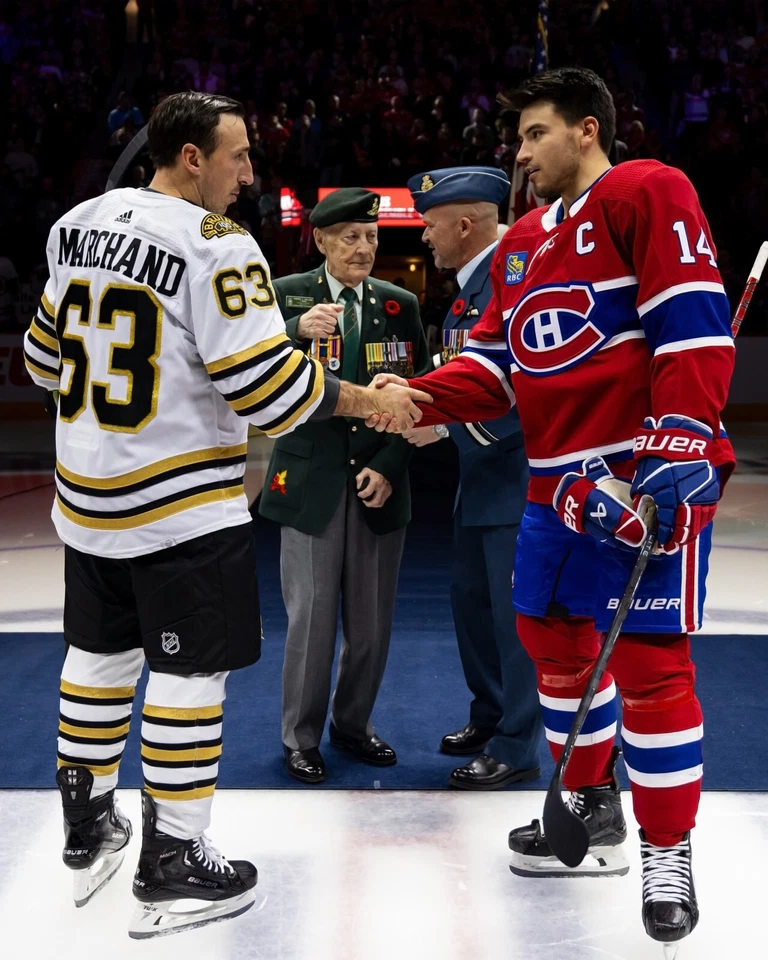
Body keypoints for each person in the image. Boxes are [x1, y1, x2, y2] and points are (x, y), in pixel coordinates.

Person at [22, 92, 428, 938]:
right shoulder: (216, 244)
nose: (249, 174)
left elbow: (37, 358)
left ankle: (87, 829)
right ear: (191, 156)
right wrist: (368, 403)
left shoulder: (75, 224)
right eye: (238, 155)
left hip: (86, 500)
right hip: (177, 505)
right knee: (187, 676)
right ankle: (174, 858)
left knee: (96, 658)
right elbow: (267, 391)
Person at [367, 68, 735, 952]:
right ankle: (590, 797)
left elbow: (691, 321)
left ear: (586, 129)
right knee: (555, 648)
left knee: (648, 667)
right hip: (551, 489)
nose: (521, 154)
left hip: (635, 480)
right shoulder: (528, 241)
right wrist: (415, 395)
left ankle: (668, 849)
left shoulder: (649, 188)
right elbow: (496, 364)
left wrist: (682, 437)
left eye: (535, 135)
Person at [259, 188, 429, 784]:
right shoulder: (285, 295)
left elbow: (421, 400)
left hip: (379, 481)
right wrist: (292, 328)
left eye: (372, 237)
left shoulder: (399, 304)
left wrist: (388, 465)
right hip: (310, 481)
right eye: (350, 237)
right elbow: (248, 364)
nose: (363, 248)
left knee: (371, 621)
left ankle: (353, 726)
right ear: (322, 241)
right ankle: (300, 738)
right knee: (309, 618)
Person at [402, 165, 542, 790]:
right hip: (477, 483)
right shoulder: (467, 290)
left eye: (430, 225)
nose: (424, 238)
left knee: (514, 625)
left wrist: (440, 426)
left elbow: (521, 392)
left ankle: (517, 745)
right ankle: (491, 716)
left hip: (515, 480)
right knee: (473, 609)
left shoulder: (513, 280)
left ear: (464, 224)